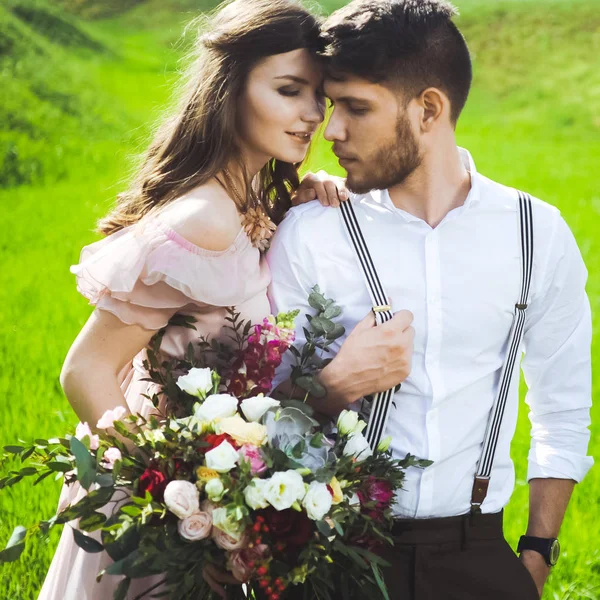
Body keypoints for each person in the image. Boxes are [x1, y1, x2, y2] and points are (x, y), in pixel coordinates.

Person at [267, 1, 594, 598]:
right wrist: (333, 384)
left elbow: (563, 408)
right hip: (335, 556)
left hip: (481, 558)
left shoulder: (535, 234)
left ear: (429, 109)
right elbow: (254, 411)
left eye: (356, 108)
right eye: (332, 106)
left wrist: (538, 554)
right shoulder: (310, 231)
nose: (331, 130)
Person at [37, 1, 342, 598]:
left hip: (216, 500)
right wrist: (174, 504)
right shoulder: (205, 219)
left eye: (320, 98)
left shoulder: (251, 201)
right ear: (231, 91)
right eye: (289, 90)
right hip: (156, 521)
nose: (312, 116)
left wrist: (303, 197)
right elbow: (86, 370)